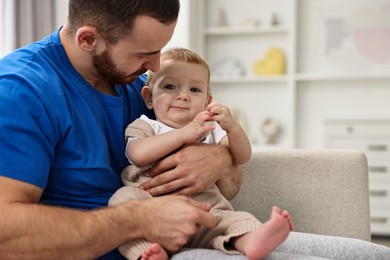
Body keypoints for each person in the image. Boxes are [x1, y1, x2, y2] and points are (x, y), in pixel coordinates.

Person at [0, 1, 244, 259]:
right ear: (88, 39)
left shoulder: (143, 89)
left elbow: (231, 177)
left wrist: (221, 160)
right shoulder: (21, 91)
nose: (156, 65)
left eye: (160, 50)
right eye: (143, 53)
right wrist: (137, 219)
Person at [109, 47, 293, 260]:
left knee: (233, 219)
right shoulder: (145, 125)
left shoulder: (210, 129)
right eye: (170, 86)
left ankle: (251, 241)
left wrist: (232, 127)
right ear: (149, 97)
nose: (183, 96)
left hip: (205, 212)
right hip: (151, 209)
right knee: (121, 202)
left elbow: (243, 156)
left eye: (194, 90)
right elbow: (137, 154)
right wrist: (185, 134)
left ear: (207, 101)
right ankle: (146, 253)